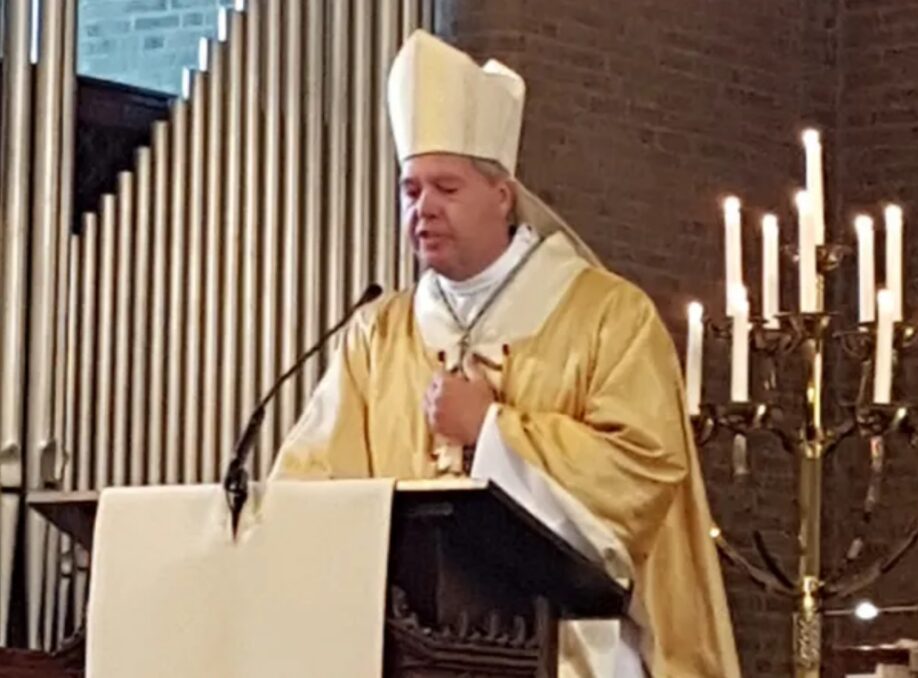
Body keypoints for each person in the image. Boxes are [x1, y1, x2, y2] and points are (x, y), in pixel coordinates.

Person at [271, 29, 740, 678]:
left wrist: (494, 431)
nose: (424, 208)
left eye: (446, 187)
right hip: (406, 657)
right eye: (411, 190)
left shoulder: (607, 315)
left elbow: (644, 473)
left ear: (502, 195)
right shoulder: (378, 334)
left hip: (570, 655)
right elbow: (307, 493)